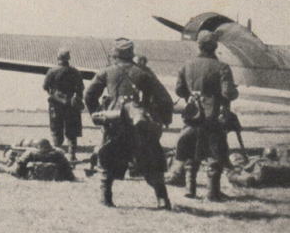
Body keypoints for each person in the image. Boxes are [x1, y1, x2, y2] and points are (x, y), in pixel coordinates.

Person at [85, 38, 172, 210]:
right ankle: (162, 199)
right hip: (140, 123)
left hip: (114, 122)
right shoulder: (143, 72)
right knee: (151, 158)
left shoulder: (107, 71)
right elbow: (164, 98)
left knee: (108, 156)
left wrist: (97, 113)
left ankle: (105, 198)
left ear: (114, 53)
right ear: (131, 54)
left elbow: (89, 94)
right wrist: (160, 118)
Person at [175, 30, 239, 201]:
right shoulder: (222, 67)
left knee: (191, 148)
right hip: (213, 116)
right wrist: (233, 92)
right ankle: (212, 192)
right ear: (215, 47)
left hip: (192, 114)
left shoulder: (187, 65)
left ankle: (190, 189)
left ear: (199, 46)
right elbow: (228, 93)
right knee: (214, 151)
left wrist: (191, 97)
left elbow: (179, 90)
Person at [43, 48, 84, 161]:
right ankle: (72, 155)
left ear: (58, 58)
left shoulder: (51, 71)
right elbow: (80, 88)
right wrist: (77, 99)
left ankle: (57, 155)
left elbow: (45, 86)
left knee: (56, 129)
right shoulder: (75, 72)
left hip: (56, 104)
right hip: (71, 104)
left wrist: (54, 94)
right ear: (68, 58)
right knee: (72, 131)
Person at [9, 139, 75, 181]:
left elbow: (18, 169)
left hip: (32, 176)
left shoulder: (30, 153)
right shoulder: (57, 153)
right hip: (56, 177)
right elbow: (67, 169)